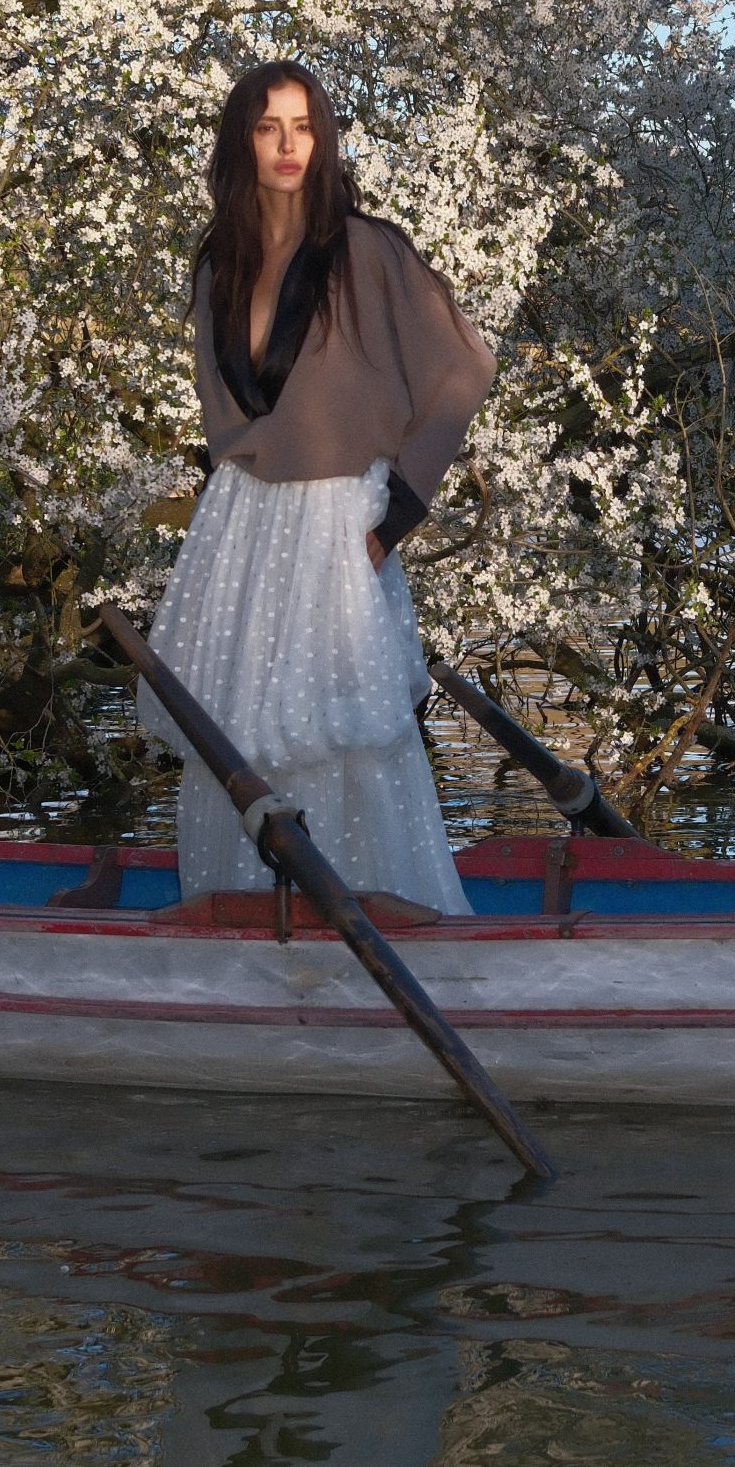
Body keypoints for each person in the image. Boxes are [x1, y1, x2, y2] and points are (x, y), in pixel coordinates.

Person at [137, 60, 496, 910]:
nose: (288, 145)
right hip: (241, 522)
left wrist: (395, 512)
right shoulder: (217, 266)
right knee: (238, 735)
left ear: (323, 138)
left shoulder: (366, 251)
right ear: (243, 142)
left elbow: (464, 369)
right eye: (268, 127)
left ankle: (372, 917)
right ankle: (242, 922)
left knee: (338, 734)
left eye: (303, 126)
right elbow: (226, 414)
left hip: (337, 517)